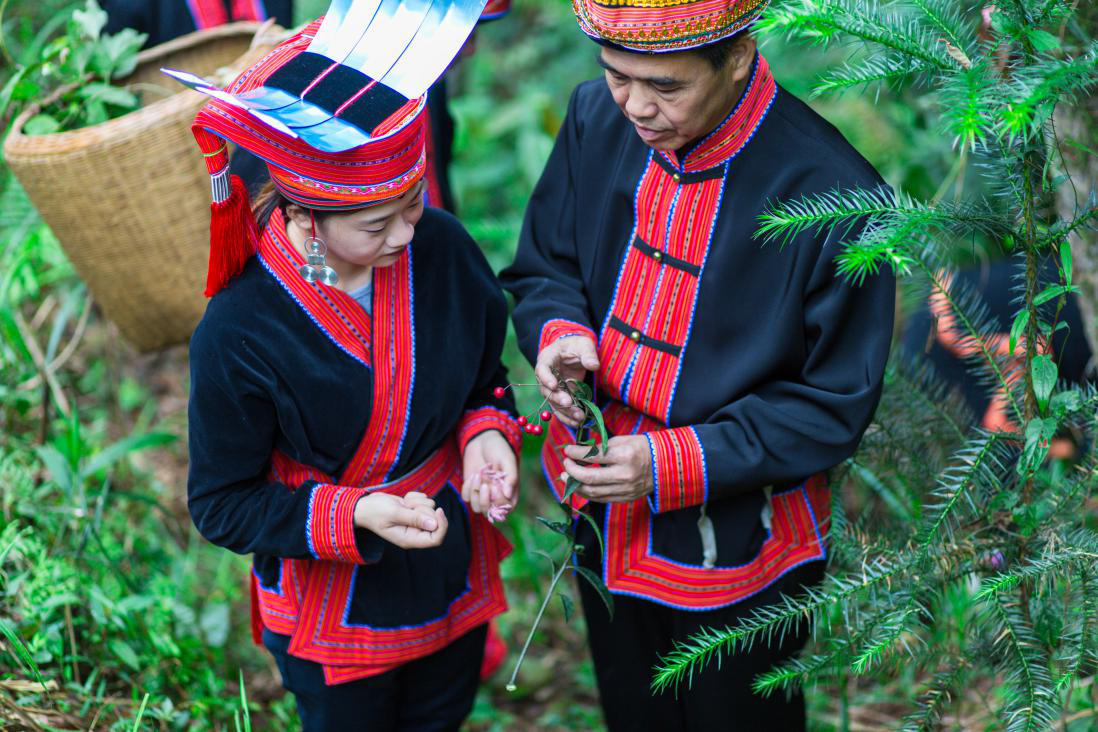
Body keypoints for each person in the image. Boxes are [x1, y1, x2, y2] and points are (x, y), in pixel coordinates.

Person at [499, 1, 895, 729]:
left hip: (746, 534)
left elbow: (833, 404)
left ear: (738, 54)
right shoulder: (597, 116)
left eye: (666, 87)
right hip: (603, 507)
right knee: (633, 702)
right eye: (616, 75)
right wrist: (558, 335)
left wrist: (671, 463)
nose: (636, 106)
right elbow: (546, 264)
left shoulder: (835, 195)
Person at [182, 19, 521, 731]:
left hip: (445, 567)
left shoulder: (442, 248)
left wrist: (488, 433)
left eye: (412, 203)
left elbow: (484, 375)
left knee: (443, 715)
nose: (406, 234)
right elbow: (222, 503)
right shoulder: (240, 328)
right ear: (306, 213)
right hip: (330, 598)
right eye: (377, 225)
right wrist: (353, 513)